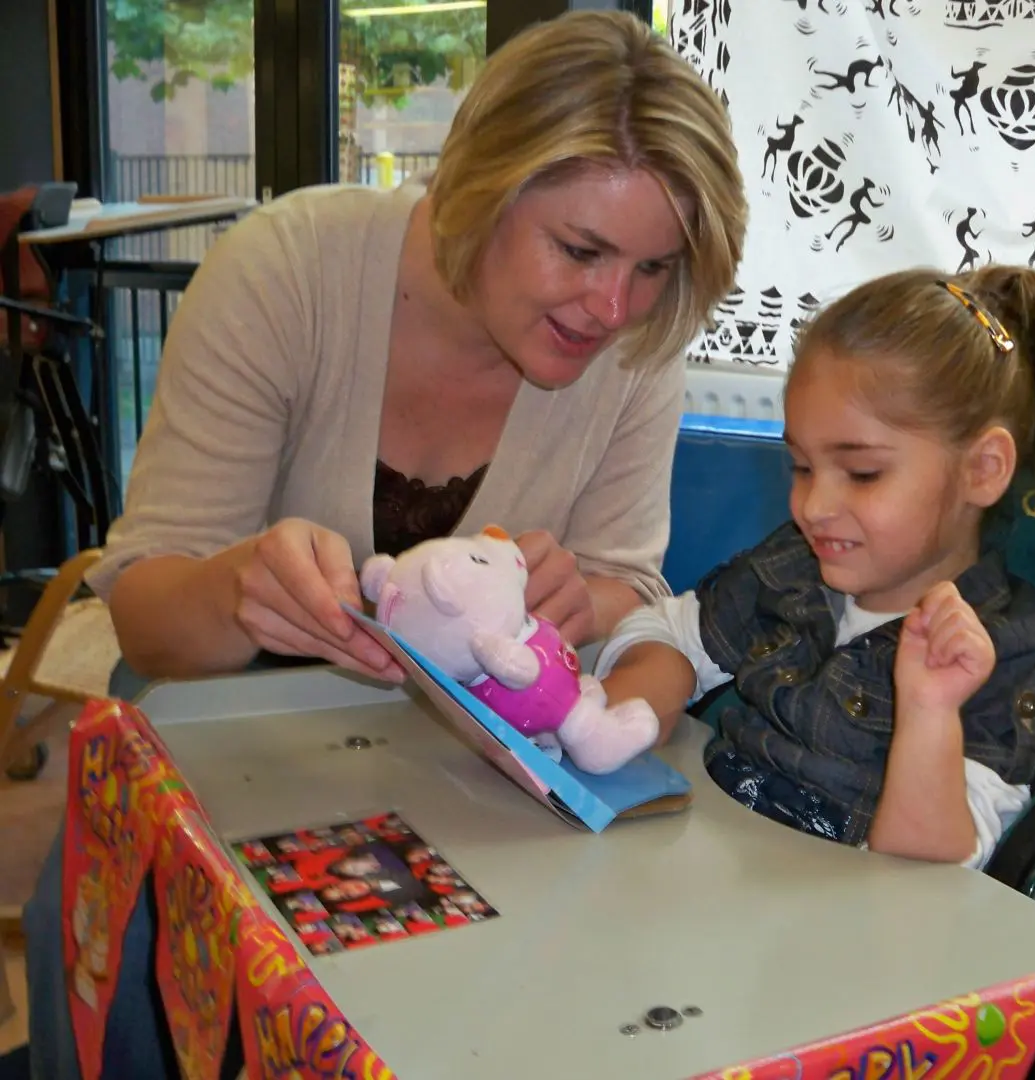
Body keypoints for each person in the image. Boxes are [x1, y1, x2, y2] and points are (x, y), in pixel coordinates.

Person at [25, 11, 747, 1080]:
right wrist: (237, 594)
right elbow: (145, 620)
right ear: (476, 187)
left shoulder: (637, 346)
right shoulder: (286, 271)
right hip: (232, 736)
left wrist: (580, 602)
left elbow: (624, 586)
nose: (612, 306)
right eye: (580, 250)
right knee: (138, 960)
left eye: (653, 267)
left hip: (468, 774)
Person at [597, 265, 1035, 865]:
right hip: (713, 870)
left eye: (862, 473)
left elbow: (932, 870)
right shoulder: (795, 567)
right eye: (802, 467)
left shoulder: (1004, 650)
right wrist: (628, 714)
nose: (814, 507)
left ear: (982, 470)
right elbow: (665, 629)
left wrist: (930, 710)